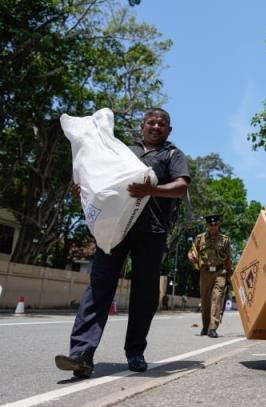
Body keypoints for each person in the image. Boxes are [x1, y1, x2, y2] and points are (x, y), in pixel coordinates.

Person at [55, 108, 190, 378]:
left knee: (144, 294)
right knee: (99, 288)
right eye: (151, 122)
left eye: (161, 124)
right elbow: (100, 178)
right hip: (115, 229)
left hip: (152, 232)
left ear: (169, 130)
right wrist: (84, 189)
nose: (155, 127)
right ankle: (81, 354)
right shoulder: (122, 151)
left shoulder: (173, 155)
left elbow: (181, 187)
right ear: (142, 125)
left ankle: (135, 352)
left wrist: (151, 190)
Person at [187, 214, 232, 338]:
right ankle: (206, 326)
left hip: (220, 273)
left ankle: (213, 328)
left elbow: (228, 259)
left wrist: (229, 275)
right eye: (211, 225)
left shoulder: (225, 240)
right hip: (205, 272)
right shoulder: (199, 238)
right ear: (207, 225)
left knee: (216, 299)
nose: (213, 227)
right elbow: (192, 251)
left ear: (218, 225)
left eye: (216, 224)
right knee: (206, 301)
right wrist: (191, 256)